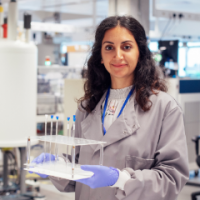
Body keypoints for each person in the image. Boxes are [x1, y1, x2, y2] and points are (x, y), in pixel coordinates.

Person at [31, 16, 189, 200]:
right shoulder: (86, 108)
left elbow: (172, 177)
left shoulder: (164, 108)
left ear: (141, 53)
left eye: (126, 47)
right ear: (100, 56)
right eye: (109, 47)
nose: (118, 56)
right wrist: (57, 166)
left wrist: (120, 179)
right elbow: (80, 168)